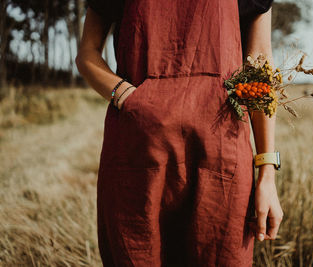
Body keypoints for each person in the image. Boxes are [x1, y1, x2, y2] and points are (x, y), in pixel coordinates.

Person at [75, 0, 283, 265]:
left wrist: (267, 173)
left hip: (221, 157)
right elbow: (87, 53)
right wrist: (128, 97)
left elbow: (260, 66)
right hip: (138, 150)